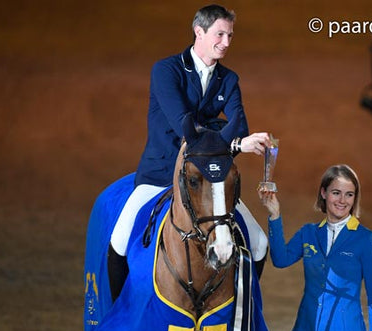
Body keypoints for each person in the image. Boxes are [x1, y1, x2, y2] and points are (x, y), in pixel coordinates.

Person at [107, 4, 271, 302]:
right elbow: (186, 128)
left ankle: (242, 314)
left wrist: (233, 137)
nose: (226, 42)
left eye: (230, 35)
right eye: (220, 34)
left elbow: (239, 127)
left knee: (258, 243)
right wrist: (231, 141)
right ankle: (120, 311)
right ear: (199, 31)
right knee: (119, 240)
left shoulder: (229, 79)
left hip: (207, 179)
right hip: (161, 173)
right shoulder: (166, 70)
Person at [259, 165, 372, 331]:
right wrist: (275, 215)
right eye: (336, 193)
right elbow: (280, 260)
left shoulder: (367, 240)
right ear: (324, 193)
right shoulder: (308, 233)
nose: (342, 200)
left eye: (349, 194)